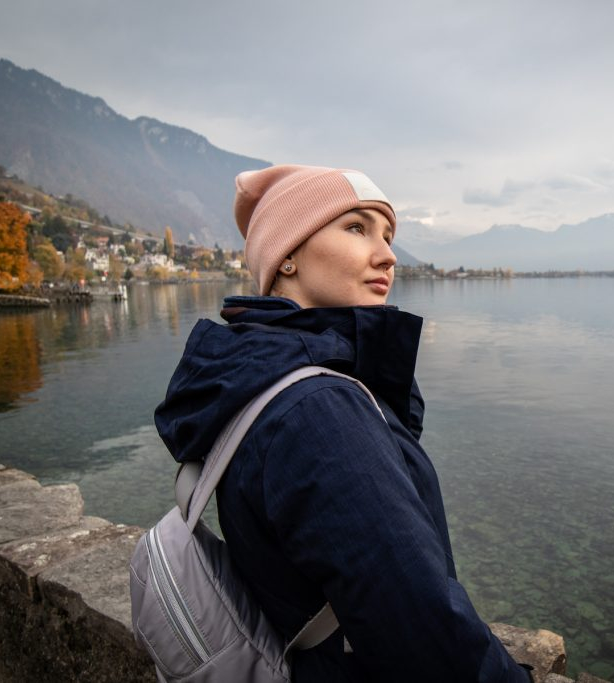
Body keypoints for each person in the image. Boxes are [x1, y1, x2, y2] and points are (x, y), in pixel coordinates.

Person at [154, 164, 533, 682]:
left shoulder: (261, 376)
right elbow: (422, 633)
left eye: (388, 235)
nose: (388, 255)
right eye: (356, 228)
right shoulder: (316, 408)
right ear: (286, 255)